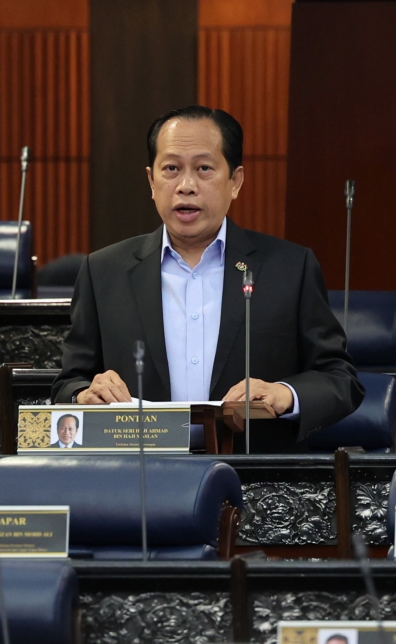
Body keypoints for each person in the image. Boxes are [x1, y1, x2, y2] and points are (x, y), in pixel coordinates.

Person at [52, 105, 363, 453]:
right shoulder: (104, 271)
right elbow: (67, 383)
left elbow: (340, 379)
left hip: (255, 481)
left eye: (204, 169)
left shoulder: (290, 268)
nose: (186, 186)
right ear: (151, 182)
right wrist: (85, 394)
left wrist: (284, 394)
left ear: (236, 181)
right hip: (141, 477)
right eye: (171, 169)